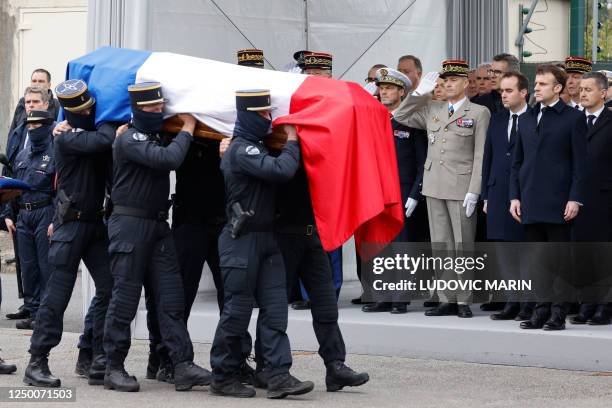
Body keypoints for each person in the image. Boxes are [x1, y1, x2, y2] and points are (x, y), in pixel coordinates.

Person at [102, 82, 211, 392]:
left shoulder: (150, 135)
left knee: (171, 297)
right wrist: (187, 129)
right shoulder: (131, 138)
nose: (159, 110)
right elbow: (169, 160)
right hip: (130, 226)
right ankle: (113, 366)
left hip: (158, 226)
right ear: (138, 108)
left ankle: (181, 364)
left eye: (161, 106)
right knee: (124, 299)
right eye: (152, 107)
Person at [209, 89, 313, 399]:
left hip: (266, 239)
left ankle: (277, 373)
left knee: (275, 309)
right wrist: (293, 139)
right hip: (241, 240)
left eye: (270, 113)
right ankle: (223, 375)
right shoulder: (242, 150)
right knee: (237, 312)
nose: (269, 119)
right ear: (249, 116)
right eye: (264, 115)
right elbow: (281, 170)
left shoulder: (254, 146)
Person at [24, 79, 116, 387]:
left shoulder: (80, 133)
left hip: (94, 225)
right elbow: (103, 140)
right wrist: (110, 120)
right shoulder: (66, 139)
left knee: (110, 287)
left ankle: (92, 354)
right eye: (88, 110)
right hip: (70, 225)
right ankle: (37, 362)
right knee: (56, 297)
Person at [395, 60, 490, 318]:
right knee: (441, 245)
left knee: (462, 245)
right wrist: (418, 93)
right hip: (434, 185)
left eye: (453, 80)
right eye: (444, 81)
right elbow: (400, 115)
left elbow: (481, 154)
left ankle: (463, 300)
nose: (447, 84)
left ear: (466, 84)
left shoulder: (479, 112)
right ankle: (446, 298)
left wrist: (475, 189)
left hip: (461, 187)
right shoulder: (432, 108)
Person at [509, 64, 587, 331]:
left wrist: (575, 198)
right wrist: (514, 197)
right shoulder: (527, 117)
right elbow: (517, 163)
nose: (537, 88)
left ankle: (558, 312)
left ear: (558, 88)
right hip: (529, 200)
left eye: (543, 84)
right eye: (537, 83)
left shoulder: (572, 118)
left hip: (559, 202)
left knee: (559, 261)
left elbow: (580, 164)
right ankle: (540, 310)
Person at [362, 68, 428, 314]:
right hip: (375, 189)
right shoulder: (372, 117)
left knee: (402, 245)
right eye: (382, 87)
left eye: (390, 88)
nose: (385, 92)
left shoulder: (410, 120)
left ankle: (400, 297)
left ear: (402, 91)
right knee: (379, 243)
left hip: (401, 190)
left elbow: (422, 161)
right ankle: (382, 295)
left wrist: (414, 193)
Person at [481, 72, 532, 321]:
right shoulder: (498, 119)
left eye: (509, 90)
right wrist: (486, 195)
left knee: (523, 250)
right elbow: (488, 157)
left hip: (525, 194)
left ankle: (527, 302)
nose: (503, 94)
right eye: (502, 90)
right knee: (502, 250)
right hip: (498, 191)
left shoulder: (535, 119)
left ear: (524, 92)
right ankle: (511, 300)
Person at [2, 87, 52, 323]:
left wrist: (56, 218)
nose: (32, 129)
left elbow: (60, 185)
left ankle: (44, 311)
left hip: (44, 210)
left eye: (36, 126)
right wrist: (8, 214)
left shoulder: (55, 144)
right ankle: (31, 307)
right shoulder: (21, 152)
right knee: (28, 265)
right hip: (23, 213)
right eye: (30, 126)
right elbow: (12, 182)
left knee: (45, 265)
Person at [569, 71, 612, 326]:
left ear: (604, 93)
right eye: (581, 89)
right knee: (581, 254)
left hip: (605, 199)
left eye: (589, 89)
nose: (583, 93)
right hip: (577, 199)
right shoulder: (574, 121)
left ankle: (604, 305)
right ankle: (586, 303)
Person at [8, 69, 60, 137]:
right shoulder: (22, 102)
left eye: (41, 81)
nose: (37, 84)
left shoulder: (57, 105)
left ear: (49, 85)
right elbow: (13, 130)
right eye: (34, 81)